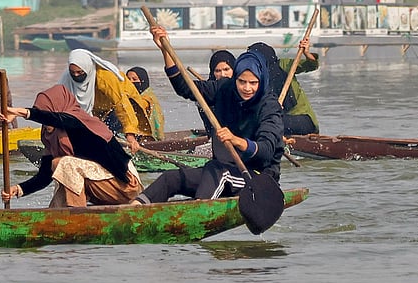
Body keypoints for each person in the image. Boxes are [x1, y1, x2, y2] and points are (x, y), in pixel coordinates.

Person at [134, 28, 283, 204]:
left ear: (261, 81)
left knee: (220, 173)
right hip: (221, 169)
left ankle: (194, 216)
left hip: (256, 176)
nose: (247, 88)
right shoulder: (224, 88)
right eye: (242, 82)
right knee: (171, 178)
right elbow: (185, 87)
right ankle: (135, 207)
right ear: (235, 79)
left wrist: (235, 140)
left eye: (253, 83)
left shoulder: (269, 106)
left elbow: (265, 150)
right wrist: (165, 50)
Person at [1, 85, 141, 207]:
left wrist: (20, 112)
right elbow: (45, 176)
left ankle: (76, 214)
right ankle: (58, 218)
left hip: (125, 186)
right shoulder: (50, 137)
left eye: (47, 113)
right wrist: (18, 189)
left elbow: (59, 119)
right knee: (61, 173)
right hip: (100, 186)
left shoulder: (79, 123)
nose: (45, 124)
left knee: (64, 163)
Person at [59, 49, 146, 152]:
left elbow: (121, 105)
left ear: (88, 69)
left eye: (80, 72)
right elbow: (61, 104)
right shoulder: (67, 79)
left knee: (110, 133)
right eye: (73, 73)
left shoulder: (105, 77)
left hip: (125, 103)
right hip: (99, 108)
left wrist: (130, 136)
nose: (76, 76)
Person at [249, 40, 320, 135]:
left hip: (303, 119)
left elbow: (311, 65)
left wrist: (306, 52)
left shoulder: (284, 65)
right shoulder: (254, 78)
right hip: (278, 120)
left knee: (269, 122)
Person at [126, 66, 165, 141]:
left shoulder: (148, 97)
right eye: (128, 79)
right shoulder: (128, 96)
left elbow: (142, 104)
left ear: (143, 81)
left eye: (134, 79)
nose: (131, 82)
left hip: (147, 137)